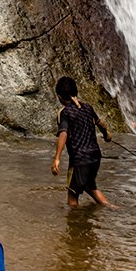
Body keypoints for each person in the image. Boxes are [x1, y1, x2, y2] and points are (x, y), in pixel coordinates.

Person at [51, 76, 114, 207]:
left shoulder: (64, 113)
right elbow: (100, 123)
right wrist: (107, 134)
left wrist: (57, 158)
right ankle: (112, 208)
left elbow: (63, 133)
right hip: (95, 156)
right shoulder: (87, 107)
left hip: (79, 160)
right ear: (75, 92)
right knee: (91, 187)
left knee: (72, 198)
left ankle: (78, 224)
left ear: (59, 97)